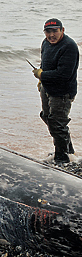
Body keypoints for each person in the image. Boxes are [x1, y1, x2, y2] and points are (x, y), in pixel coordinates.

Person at [32, 18, 79, 164]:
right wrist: (42, 80)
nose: (51, 35)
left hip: (62, 92)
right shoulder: (45, 42)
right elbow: (44, 63)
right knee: (47, 117)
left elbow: (63, 74)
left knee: (57, 122)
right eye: (48, 31)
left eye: (55, 31)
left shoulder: (69, 46)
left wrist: (41, 75)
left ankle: (62, 157)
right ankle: (67, 150)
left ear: (62, 30)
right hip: (47, 88)